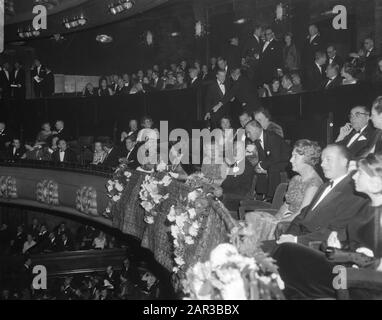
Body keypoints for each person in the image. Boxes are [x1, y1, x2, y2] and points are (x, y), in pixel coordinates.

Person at [273, 153, 382, 299]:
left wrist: (351, 256)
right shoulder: (367, 206)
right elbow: (355, 243)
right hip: (346, 265)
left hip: (360, 280)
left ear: (376, 183)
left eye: (359, 173)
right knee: (287, 252)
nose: (354, 177)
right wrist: (338, 247)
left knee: (288, 257)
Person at [274, 144, 368, 248]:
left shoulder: (354, 192)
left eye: (328, 159)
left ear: (344, 162)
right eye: (322, 160)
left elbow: (337, 231)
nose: (322, 164)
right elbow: (302, 215)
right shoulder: (325, 186)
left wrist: (296, 240)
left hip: (315, 247)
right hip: (299, 240)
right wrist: (290, 235)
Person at [246, 140, 323, 244]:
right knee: (252, 217)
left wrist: (277, 223)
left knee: (259, 229)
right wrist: (276, 218)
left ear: (307, 158)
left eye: (295, 156)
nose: (291, 160)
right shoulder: (296, 179)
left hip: (296, 225)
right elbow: (287, 204)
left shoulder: (314, 184)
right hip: (285, 219)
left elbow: (301, 214)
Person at [245, 120, 290, 200]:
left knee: (272, 168)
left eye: (249, 132)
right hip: (274, 160)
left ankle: (272, 197)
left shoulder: (272, 137)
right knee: (256, 168)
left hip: (286, 161)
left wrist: (261, 166)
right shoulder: (257, 140)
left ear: (256, 129)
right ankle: (261, 193)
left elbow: (275, 157)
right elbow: (262, 157)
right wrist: (259, 167)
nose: (247, 136)